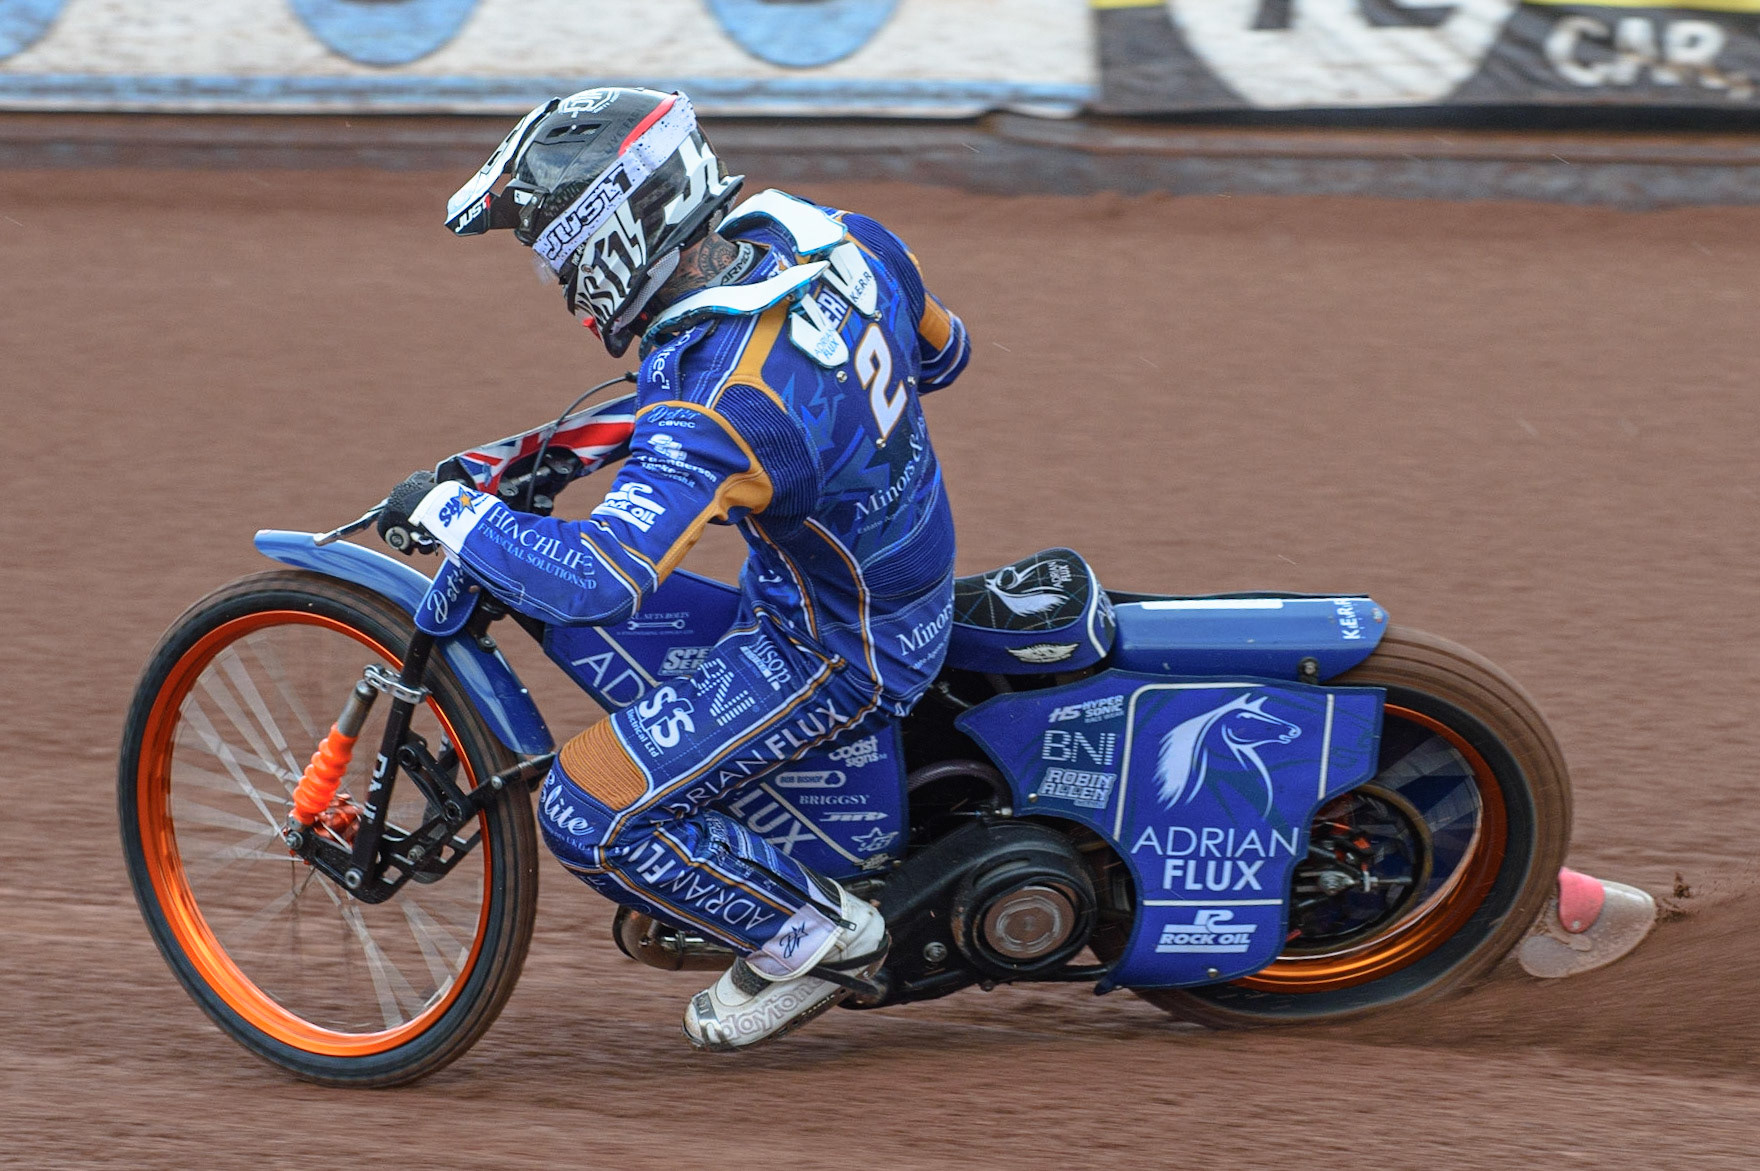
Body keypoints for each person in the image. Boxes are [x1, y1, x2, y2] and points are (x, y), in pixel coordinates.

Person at [375, 87, 970, 1050]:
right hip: (890, 568)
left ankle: (818, 936)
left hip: (834, 641)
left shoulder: (721, 403)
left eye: (561, 259)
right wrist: (562, 452)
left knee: (582, 807)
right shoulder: (833, 235)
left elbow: (601, 577)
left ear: (616, 236)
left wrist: (451, 511)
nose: (566, 287)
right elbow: (946, 352)